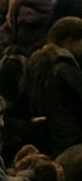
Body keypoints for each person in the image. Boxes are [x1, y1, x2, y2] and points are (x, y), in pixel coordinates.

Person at [26, 17, 82, 155]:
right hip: (71, 136)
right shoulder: (65, 66)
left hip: (45, 134)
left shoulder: (35, 61)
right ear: (70, 41)